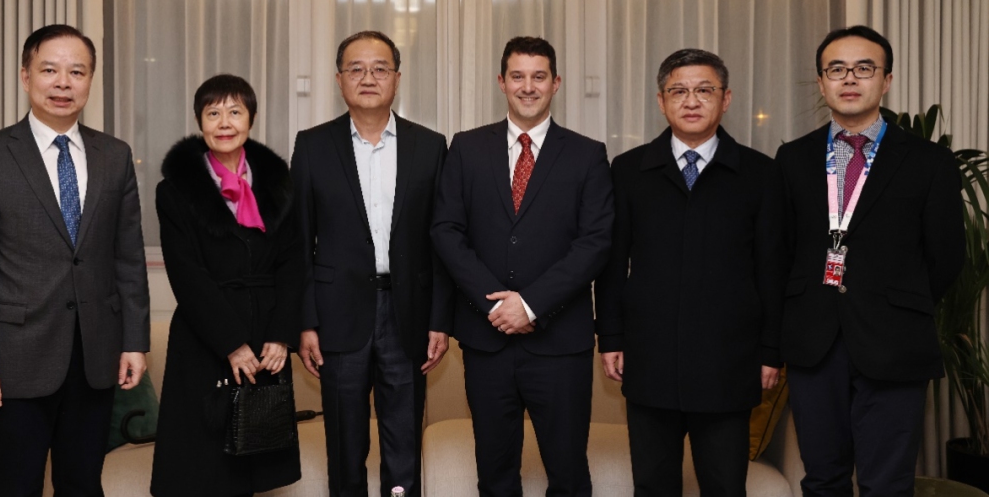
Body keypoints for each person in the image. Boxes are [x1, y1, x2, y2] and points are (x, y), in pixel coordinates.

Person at [0, 24, 150, 496]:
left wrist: (134, 341)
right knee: (14, 485)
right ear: (25, 77)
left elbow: (127, 257)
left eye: (77, 71)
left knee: (82, 484)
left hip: (95, 356)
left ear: (90, 80)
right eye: (50, 70)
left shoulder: (114, 156)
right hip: (13, 360)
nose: (64, 83)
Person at [777, 26, 965, 496]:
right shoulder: (792, 158)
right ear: (821, 83)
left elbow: (946, 257)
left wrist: (897, 302)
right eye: (836, 69)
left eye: (864, 68)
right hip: (814, 341)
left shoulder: (930, 162)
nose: (849, 79)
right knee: (823, 479)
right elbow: (780, 249)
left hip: (895, 341)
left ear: (887, 80)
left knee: (886, 483)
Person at [594, 49, 785, 497]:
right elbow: (610, 263)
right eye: (678, 91)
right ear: (661, 101)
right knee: (654, 486)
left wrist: (771, 350)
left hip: (730, 363)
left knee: (724, 486)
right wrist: (612, 338)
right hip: (650, 358)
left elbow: (773, 268)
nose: (691, 101)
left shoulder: (761, 173)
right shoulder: (628, 170)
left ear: (726, 98)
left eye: (704, 90)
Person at [431, 36, 614, 496]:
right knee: (495, 474)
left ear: (556, 84)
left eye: (538, 77)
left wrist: (530, 305)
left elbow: (594, 243)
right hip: (486, 341)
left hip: (560, 344)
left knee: (569, 473)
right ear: (501, 82)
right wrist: (497, 306)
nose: (527, 86)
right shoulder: (467, 148)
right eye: (517, 76)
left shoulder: (587, 154)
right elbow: (446, 231)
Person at [292, 31, 453, 496]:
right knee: (344, 444)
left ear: (397, 79)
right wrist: (305, 322)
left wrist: (440, 319)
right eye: (356, 69)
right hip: (336, 314)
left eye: (380, 68)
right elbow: (299, 244)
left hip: (409, 314)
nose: (368, 78)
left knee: (403, 440)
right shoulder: (312, 146)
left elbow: (441, 242)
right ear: (339, 79)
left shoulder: (430, 146)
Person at [150, 74, 303, 496]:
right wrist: (232, 343)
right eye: (213, 112)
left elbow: (293, 263)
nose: (224, 122)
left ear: (250, 119)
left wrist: (280, 336)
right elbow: (186, 274)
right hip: (206, 338)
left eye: (235, 111)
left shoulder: (278, 185)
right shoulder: (176, 191)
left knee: (254, 458)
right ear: (200, 122)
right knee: (201, 469)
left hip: (266, 332)